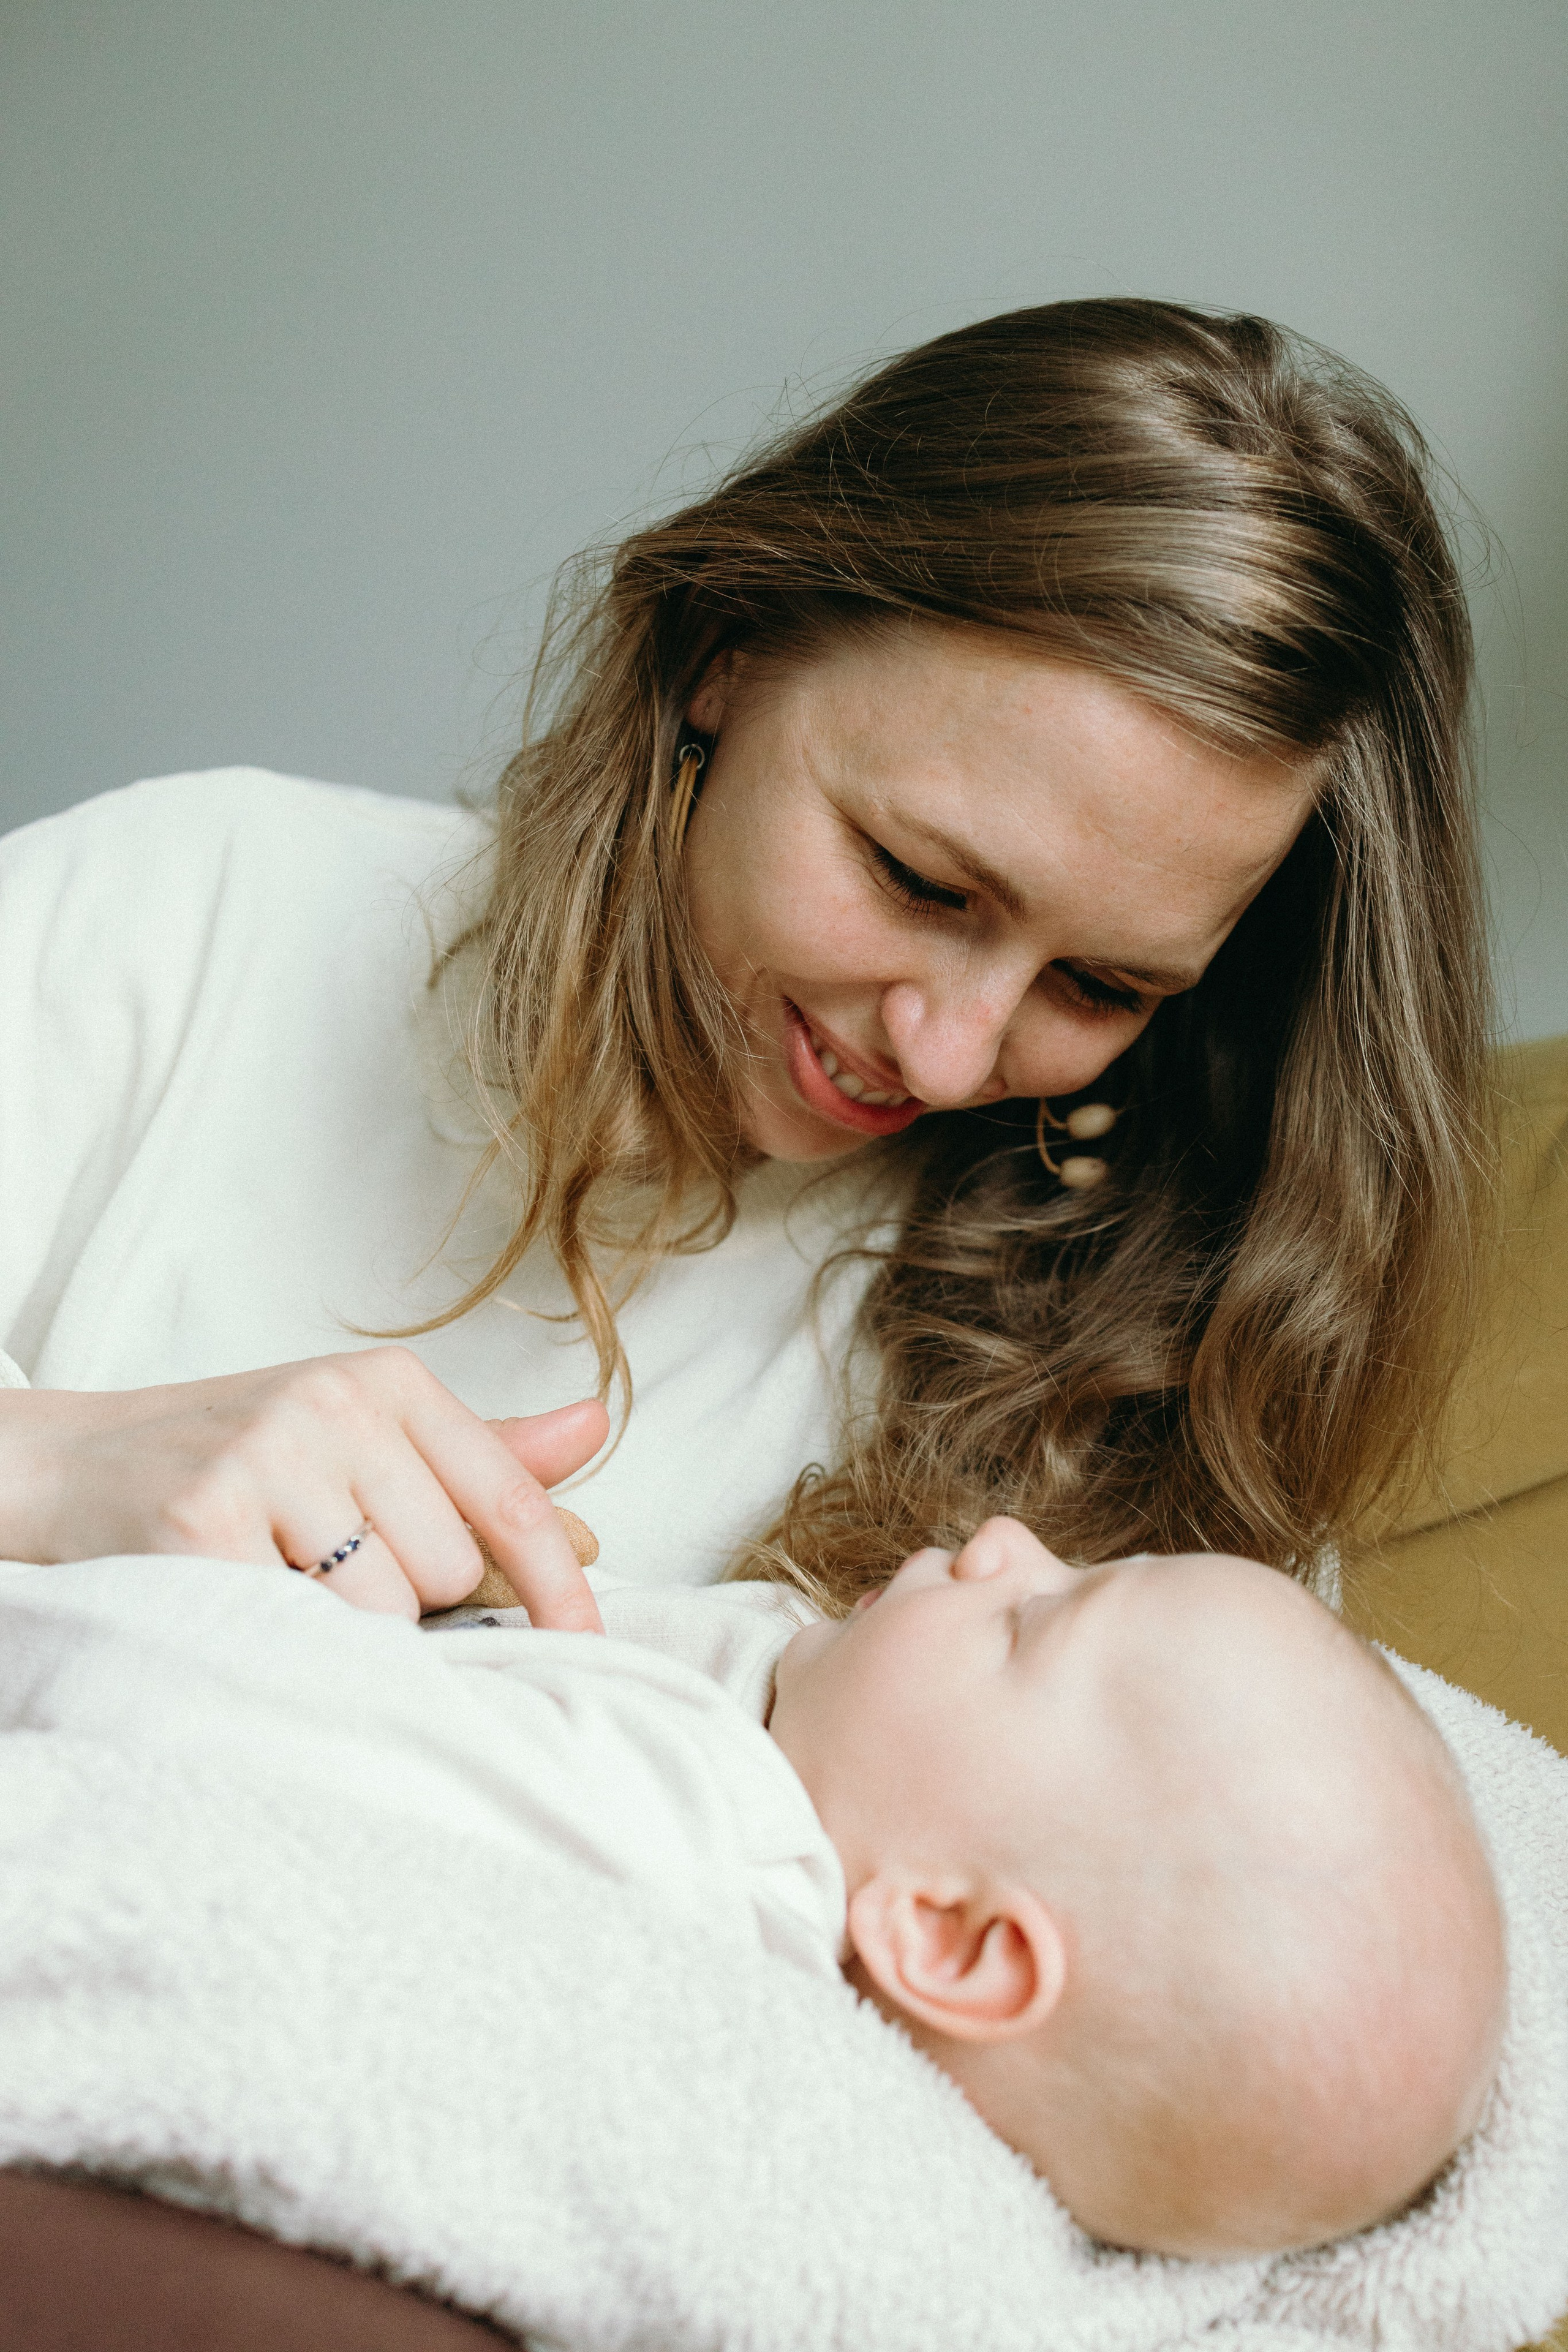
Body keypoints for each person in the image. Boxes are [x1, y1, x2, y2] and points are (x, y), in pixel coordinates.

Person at [0, 299, 1489, 1625]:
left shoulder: (1155, 1361)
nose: (950, 1055)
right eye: (917, 879)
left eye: (1101, 988)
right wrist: (59, 1468)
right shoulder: (184, 907)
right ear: (728, 648)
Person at [0, 1515, 1506, 2262]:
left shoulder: (683, 1830)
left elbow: (154, 1685)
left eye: (1034, 1623)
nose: (1000, 1541)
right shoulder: (776, 1811)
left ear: (949, 1936)